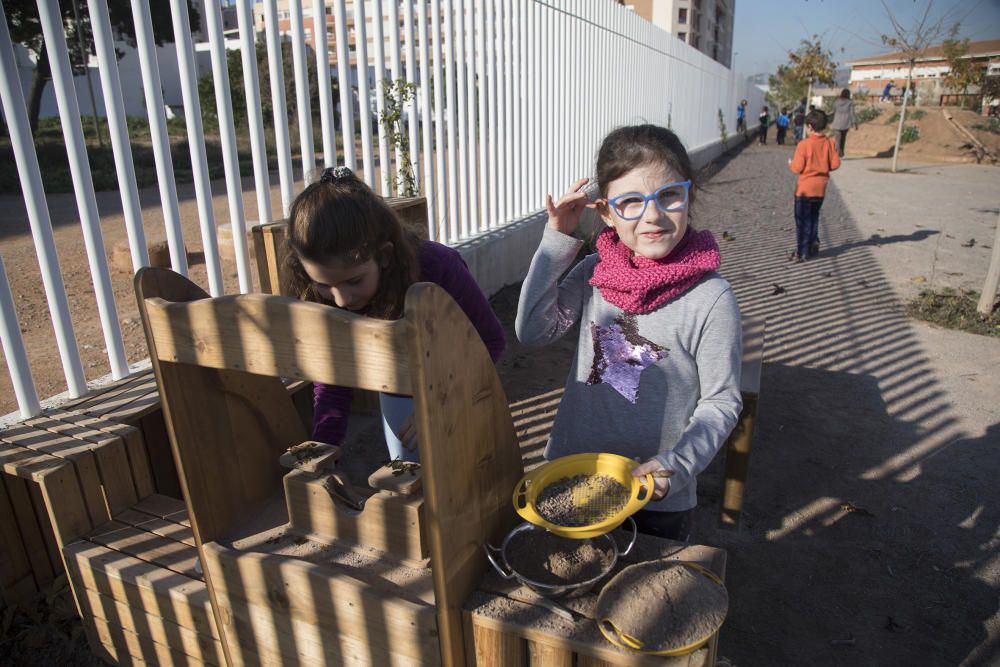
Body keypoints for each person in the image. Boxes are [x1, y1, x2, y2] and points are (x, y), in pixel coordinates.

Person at [515, 124, 743, 542]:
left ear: (689, 195)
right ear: (605, 213)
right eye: (631, 202)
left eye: (668, 195)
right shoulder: (593, 275)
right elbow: (533, 331)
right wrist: (555, 241)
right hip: (574, 471)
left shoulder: (711, 299)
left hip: (656, 495)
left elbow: (721, 400)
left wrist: (678, 463)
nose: (652, 216)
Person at [286, 166, 506, 462]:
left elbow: (491, 342)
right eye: (324, 285)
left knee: (468, 470)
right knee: (410, 474)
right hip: (398, 391)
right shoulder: (325, 294)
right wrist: (325, 445)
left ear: (385, 256)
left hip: (460, 387)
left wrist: (443, 399)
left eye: (354, 281)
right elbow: (333, 374)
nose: (341, 299)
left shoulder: (438, 267)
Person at [787, 110, 840, 261]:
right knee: (814, 217)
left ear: (809, 126)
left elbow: (797, 168)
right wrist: (823, 166)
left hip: (805, 189)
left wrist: (791, 164)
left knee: (802, 220)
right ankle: (813, 243)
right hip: (820, 188)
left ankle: (801, 251)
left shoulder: (804, 145)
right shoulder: (830, 143)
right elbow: (835, 164)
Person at [830, 88, 857, 158]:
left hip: (837, 122)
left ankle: (838, 153)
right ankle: (841, 153)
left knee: (837, 139)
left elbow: (833, 111)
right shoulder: (850, 103)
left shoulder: (836, 102)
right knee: (843, 138)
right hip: (846, 122)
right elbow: (852, 113)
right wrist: (854, 123)